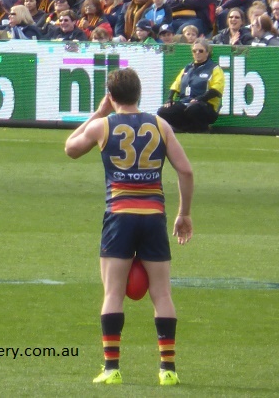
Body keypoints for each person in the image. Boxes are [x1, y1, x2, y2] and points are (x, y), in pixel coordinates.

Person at [65, 67, 194, 387]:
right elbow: (186, 171)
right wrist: (184, 214)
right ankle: (168, 369)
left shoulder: (102, 126)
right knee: (162, 293)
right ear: (139, 94)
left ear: (111, 96)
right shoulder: (160, 124)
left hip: (119, 215)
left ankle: (111, 369)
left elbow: (70, 148)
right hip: (153, 215)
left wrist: (98, 111)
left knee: (113, 293)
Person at [157, 39, 225, 132]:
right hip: (185, 102)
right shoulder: (187, 68)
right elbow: (176, 84)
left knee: (194, 109)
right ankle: (185, 128)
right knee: (163, 111)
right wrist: (170, 99)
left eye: (201, 51)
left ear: (207, 53)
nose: (197, 53)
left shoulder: (214, 68)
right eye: (194, 51)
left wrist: (199, 99)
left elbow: (216, 89)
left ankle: (202, 128)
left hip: (206, 105)